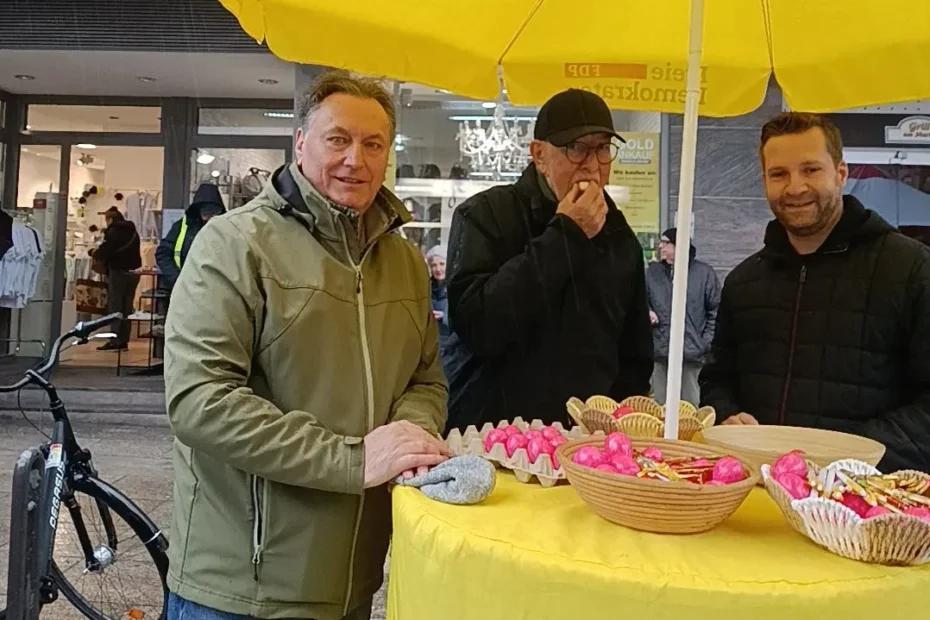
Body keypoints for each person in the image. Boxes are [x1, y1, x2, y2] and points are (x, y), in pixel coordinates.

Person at [163, 71, 449, 620]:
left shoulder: (405, 262)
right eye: (337, 139)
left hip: (355, 579)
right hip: (242, 588)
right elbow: (200, 402)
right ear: (300, 143)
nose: (355, 160)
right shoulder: (234, 244)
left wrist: (408, 436)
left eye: (373, 144)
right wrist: (354, 459)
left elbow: (425, 378)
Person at [699, 112, 930, 472]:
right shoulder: (744, 282)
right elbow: (718, 377)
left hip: (867, 502)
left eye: (810, 169)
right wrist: (727, 413)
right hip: (759, 494)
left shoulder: (911, 269)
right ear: (764, 181)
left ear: (840, 173)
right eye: (779, 174)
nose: (795, 187)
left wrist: (852, 454)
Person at [444, 88, 653, 433]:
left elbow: (633, 356)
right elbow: (479, 327)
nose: (592, 164)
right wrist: (567, 234)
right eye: (576, 148)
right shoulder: (484, 215)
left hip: (584, 448)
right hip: (490, 437)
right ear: (539, 155)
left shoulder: (620, 238)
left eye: (602, 148)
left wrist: (615, 437)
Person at [646, 227, 720, 406]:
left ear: (679, 246)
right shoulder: (652, 273)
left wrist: (704, 342)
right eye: (661, 243)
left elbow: (715, 310)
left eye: (666, 243)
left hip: (692, 352)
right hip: (660, 350)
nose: (661, 247)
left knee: (691, 405)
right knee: (661, 406)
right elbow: (640, 299)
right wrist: (648, 310)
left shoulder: (704, 274)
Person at [155, 183, 226, 292]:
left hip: (216, 291)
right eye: (206, 213)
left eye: (215, 213)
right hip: (184, 290)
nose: (211, 218)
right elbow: (163, 253)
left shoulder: (227, 230)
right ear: (198, 212)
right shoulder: (182, 227)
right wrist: (178, 280)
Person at [92, 207, 141, 350]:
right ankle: (124, 339)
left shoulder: (113, 232)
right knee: (127, 307)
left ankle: (115, 339)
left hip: (118, 271)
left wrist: (94, 253)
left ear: (111, 219)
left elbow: (105, 251)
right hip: (133, 273)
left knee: (115, 306)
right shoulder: (132, 231)